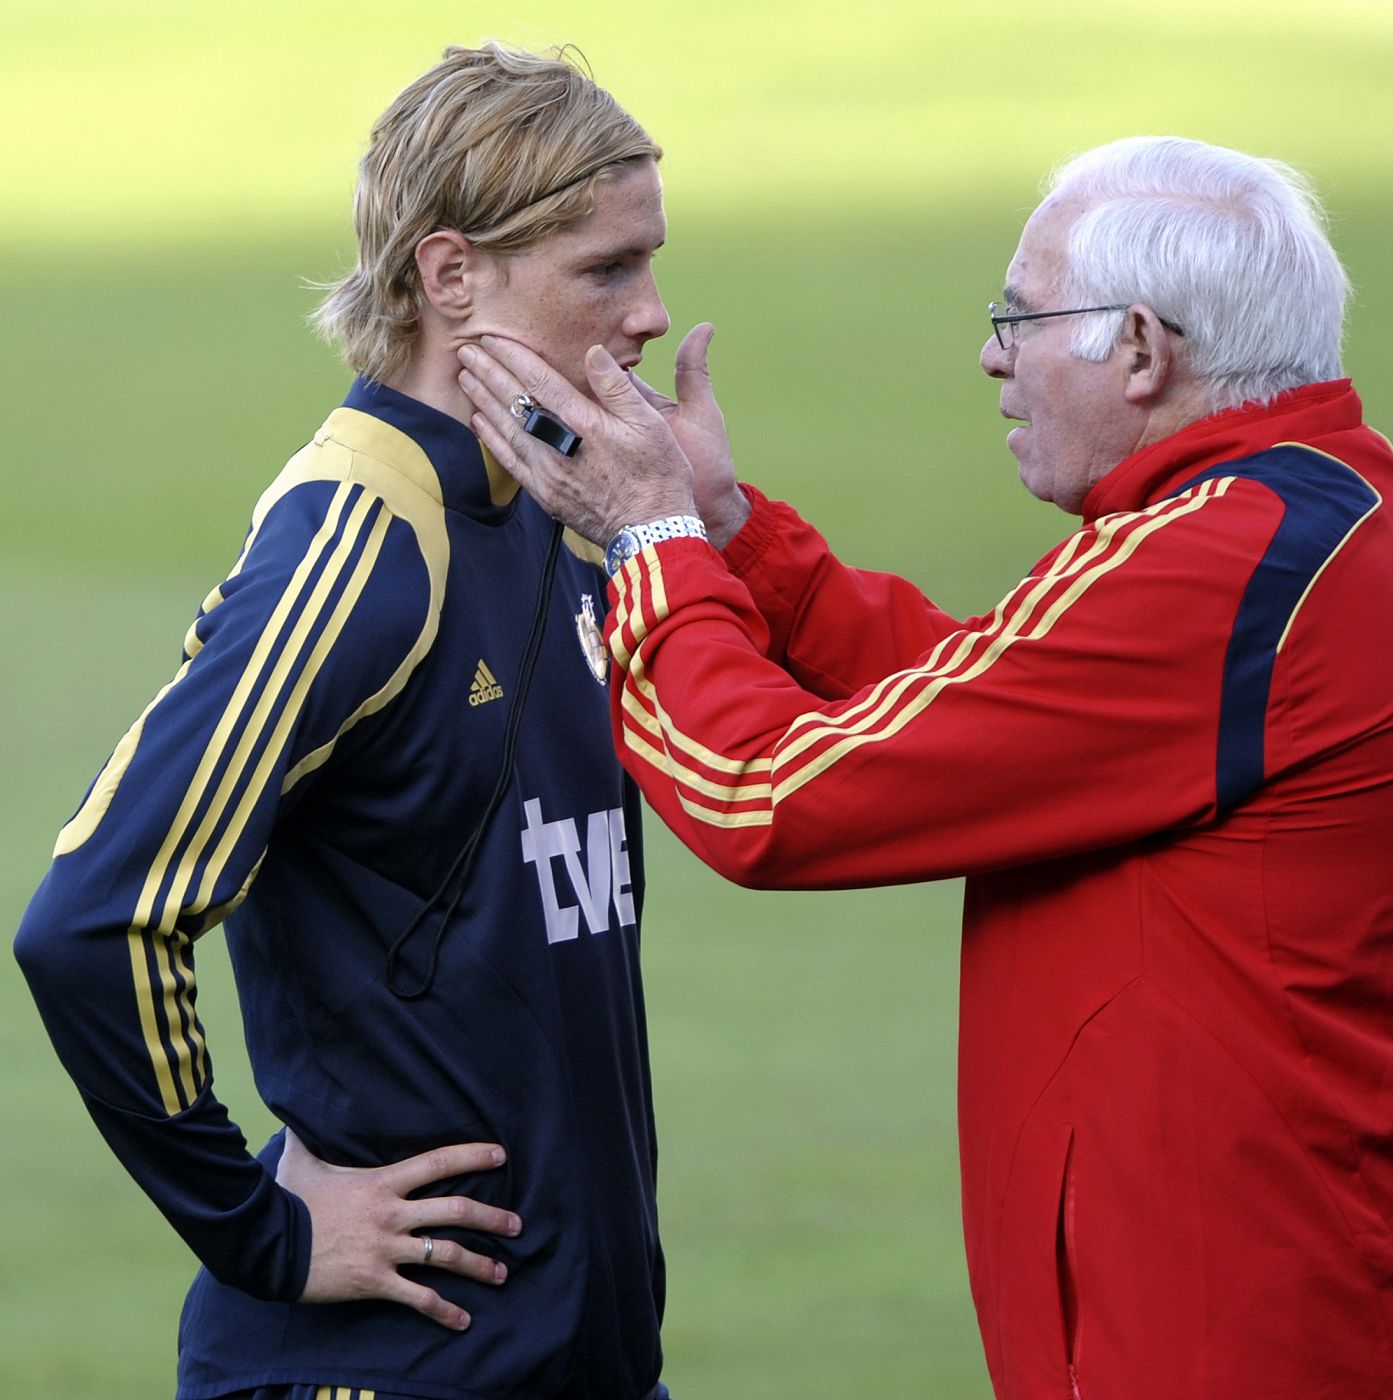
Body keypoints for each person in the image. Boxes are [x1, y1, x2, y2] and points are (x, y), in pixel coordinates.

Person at [457, 136, 1393, 1399]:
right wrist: (735, 537)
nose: (992, 357)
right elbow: (996, 706)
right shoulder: (1296, 516)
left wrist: (651, 543)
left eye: (1020, 316)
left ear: (1139, 348)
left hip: (1230, 1339)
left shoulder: (1227, 562)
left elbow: (764, 799)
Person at [15, 43, 676, 1400]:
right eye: (605, 270)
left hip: (572, 1356)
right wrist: (258, 1230)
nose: (652, 312)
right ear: (451, 276)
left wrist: (695, 522)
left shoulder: (561, 508)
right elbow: (92, 919)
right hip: (395, 1370)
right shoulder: (361, 543)